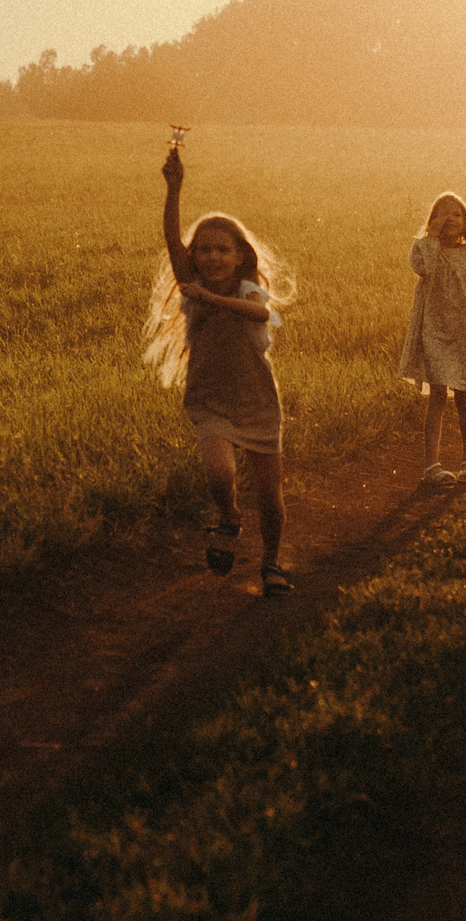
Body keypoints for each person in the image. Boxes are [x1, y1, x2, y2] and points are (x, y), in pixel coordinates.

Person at [147, 146, 296, 595]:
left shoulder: (250, 291)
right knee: (219, 474)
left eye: (222, 250)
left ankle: (271, 564)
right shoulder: (189, 282)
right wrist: (174, 189)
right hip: (210, 399)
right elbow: (173, 240)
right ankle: (229, 517)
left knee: (270, 496)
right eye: (205, 250)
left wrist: (207, 299)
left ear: (239, 256)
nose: (212, 257)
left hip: (256, 402)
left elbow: (256, 316)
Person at [402, 192, 466, 487]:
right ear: (433, 221)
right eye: (443, 214)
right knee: (439, 395)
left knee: (465, 394)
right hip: (431, 329)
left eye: (457, 214)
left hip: (457, 332)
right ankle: (432, 466)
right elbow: (422, 267)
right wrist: (430, 236)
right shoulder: (426, 250)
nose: (451, 220)